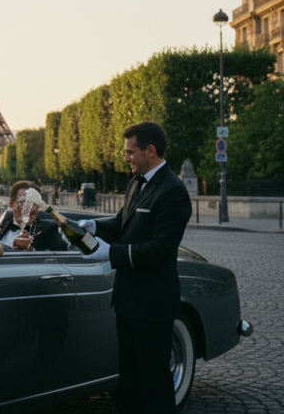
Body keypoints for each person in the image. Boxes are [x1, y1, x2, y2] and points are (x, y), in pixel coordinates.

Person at [75, 121, 192, 414]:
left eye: (130, 152)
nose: (125, 158)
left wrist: (110, 254)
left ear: (149, 151)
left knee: (153, 383)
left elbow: (161, 250)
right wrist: (93, 227)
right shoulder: (135, 181)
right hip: (128, 299)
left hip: (153, 305)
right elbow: (122, 223)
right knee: (128, 381)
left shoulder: (173, 191)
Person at [0, 180, 68, 251]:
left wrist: (31, 251)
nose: (32, 208)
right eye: (23, 202)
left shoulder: (50, 230)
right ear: (11, 205)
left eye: (35, 202)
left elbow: (61, 253)